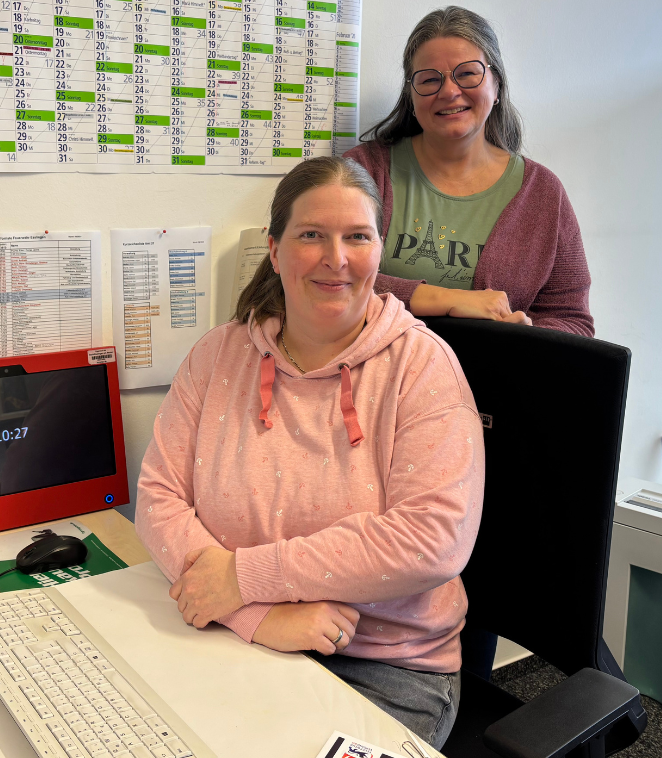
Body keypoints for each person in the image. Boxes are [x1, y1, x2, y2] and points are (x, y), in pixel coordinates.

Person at [135, 156, 485, 746]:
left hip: (385, 669)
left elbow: (434, 540)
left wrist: (245, 576)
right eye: (311, 236)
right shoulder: (219, 356)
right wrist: (257, 614)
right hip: (236, 635)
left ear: (379, 249)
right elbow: (158, 499)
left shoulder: (423, 369)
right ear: (274, 250)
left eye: (357, 237)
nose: (336, 258)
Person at [346, 6, 594, 337]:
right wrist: (445, 299)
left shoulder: (542, 192)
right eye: (430, 79)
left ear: (496, 85)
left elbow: (573, 318)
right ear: (411, 96)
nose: (449, 91)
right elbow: (318, 277)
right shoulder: (362, 172)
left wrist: (530, 332)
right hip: (372, 383)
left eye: (467, 74)